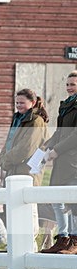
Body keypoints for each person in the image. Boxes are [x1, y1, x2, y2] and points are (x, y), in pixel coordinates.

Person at [41, 71, 77, 254]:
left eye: (73, 84)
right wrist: (46, 147)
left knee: (73, 200)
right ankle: (62, 238)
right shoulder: (66, 106)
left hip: (73, 160)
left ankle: (75, 239)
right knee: (57, 199)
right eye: (68, 84)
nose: (70, 88)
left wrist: (57, 149)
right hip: (61, 160)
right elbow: (60, 132)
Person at [0, 89, 48, 187]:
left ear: (33, 103)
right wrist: (2, 157)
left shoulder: (36, 121)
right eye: (17, 102)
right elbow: (9, 141)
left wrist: (5, 161)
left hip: (26, 172)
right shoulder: (17, 119)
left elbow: (26, 148)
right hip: (13, 170)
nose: (18, 105)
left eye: (22, 103)